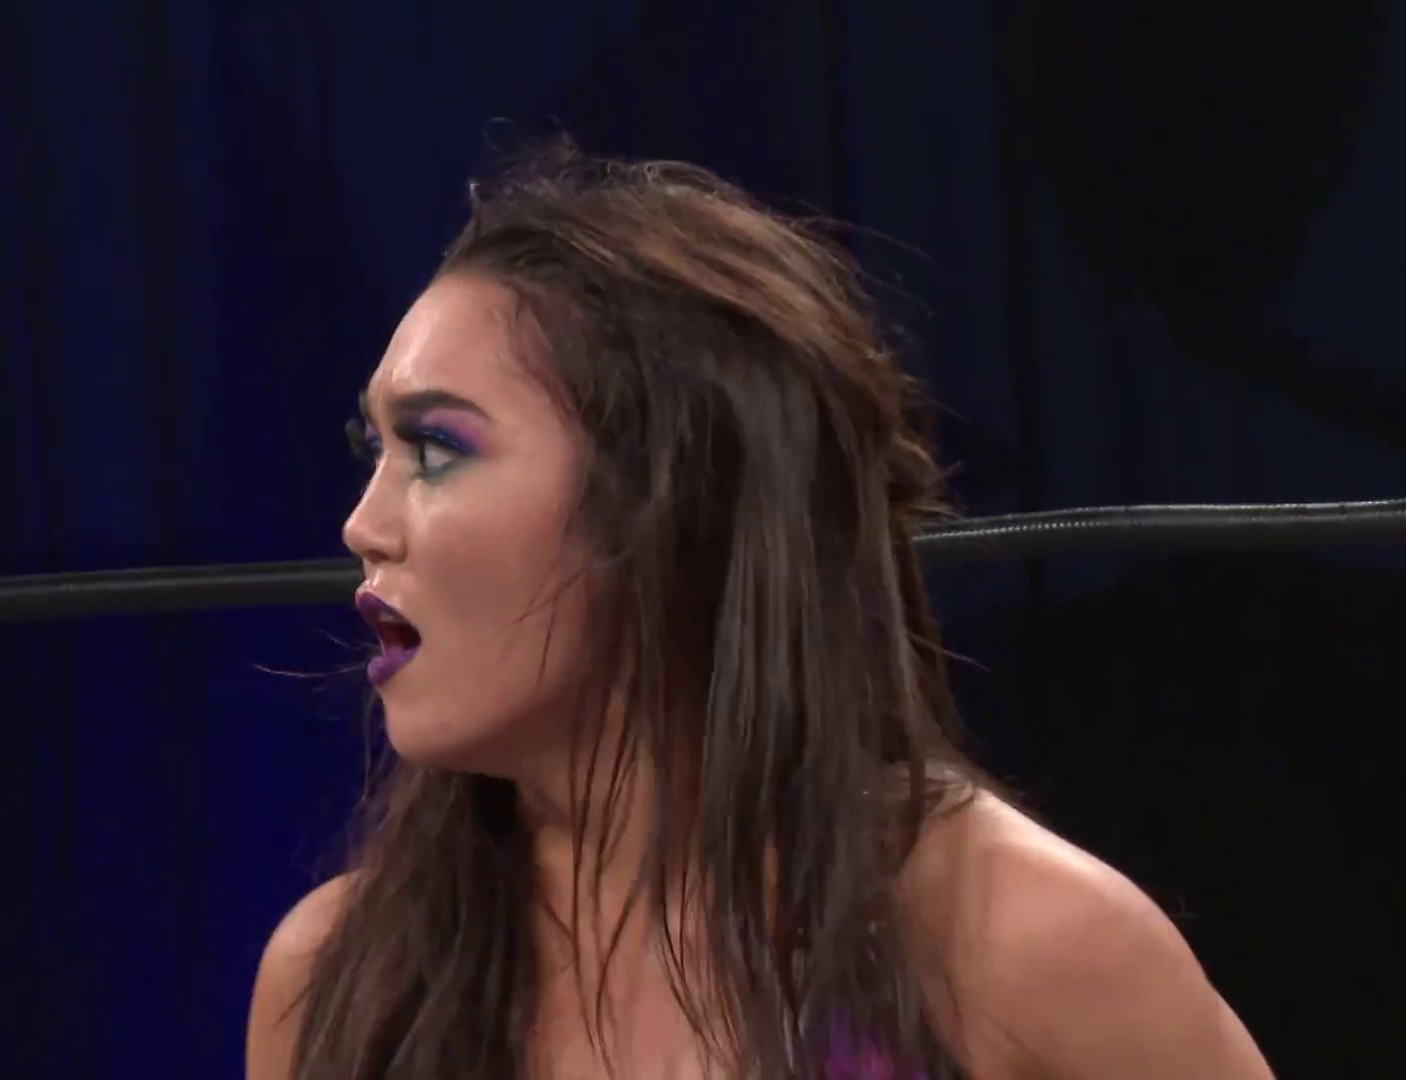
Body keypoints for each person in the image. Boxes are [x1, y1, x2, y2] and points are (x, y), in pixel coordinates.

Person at [246, 143, 1274, 1079]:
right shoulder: (338, 981)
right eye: (373, 450)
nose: (362, 524)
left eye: (435, 450)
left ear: (669, 500)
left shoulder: (1018, 942)